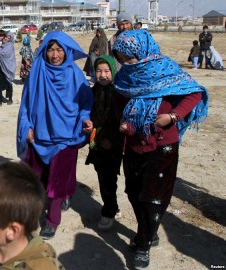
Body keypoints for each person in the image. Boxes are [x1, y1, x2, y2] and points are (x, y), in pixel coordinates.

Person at [112, 29, 209, 270]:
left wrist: (172, 116)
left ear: (141, 50)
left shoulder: (165, 68)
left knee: (153, 196)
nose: (126, 62)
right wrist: (123, 124)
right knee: (133, 192)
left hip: (163, 144)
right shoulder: (125, 75)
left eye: (128, 56)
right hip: (134, 144)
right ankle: (149, 230)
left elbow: (194, 92)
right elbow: (119, 103)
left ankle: (143, 243)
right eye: (121, 57)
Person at [17, 31, 94, 240]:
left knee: (57, 181)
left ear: (67, 51)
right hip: (40, 136)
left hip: (67, 136)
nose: (55, 54)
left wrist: (85, 119)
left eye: (59, 49)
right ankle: (64, 195)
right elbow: (26, 104)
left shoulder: (75, 74)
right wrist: (27, 126)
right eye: (50, 49)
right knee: (38, 178)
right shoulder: (37, 72)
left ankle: (52, 220)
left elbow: (86, 103)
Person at [85, 55, 124, 231]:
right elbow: (88, 113)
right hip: (97, 142)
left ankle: (109, 210)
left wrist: (112, 140)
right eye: (99, 71)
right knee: (103, 177)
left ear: (113, 71)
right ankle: (111, 207)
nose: (102, 75)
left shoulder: (119, 92)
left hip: (115, 144)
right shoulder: (93, 91)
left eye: (107, 71)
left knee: (109, 178)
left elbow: (121, 120)